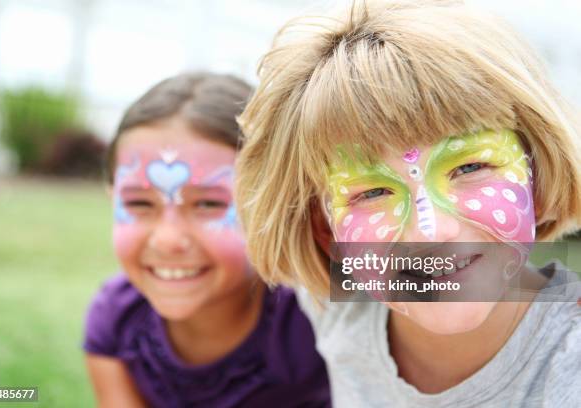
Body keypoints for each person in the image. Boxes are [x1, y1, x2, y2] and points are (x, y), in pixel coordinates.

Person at [234, 1, 581, 406]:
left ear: (537, 173)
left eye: (470, 167)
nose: (431, 230)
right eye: (372, 193)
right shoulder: (342, 308)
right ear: (325, 229)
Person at [83, 72, 330, 407]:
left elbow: (421, 276)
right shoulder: (116, 317)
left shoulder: (320, 295)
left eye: (209, 204)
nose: (168, 240)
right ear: (112, 198)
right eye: (139, 203)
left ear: (273, 200)